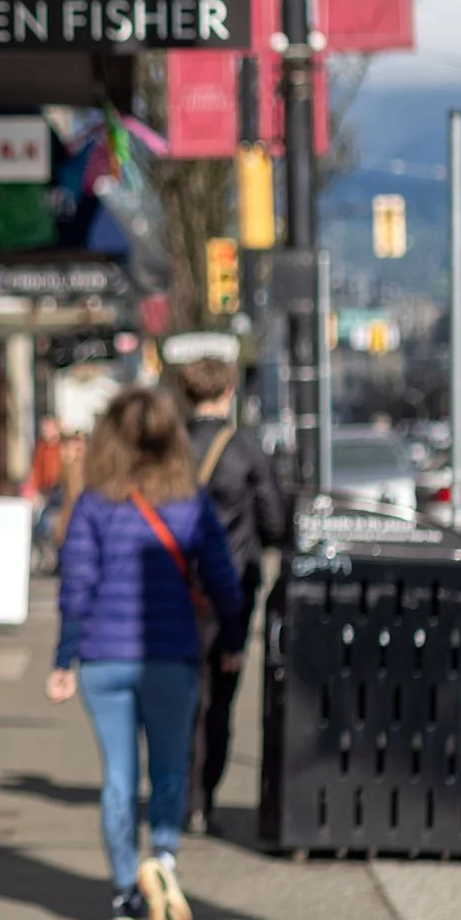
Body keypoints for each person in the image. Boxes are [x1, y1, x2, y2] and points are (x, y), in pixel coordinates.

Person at [46, 388, 245, 920]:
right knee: (170, 768)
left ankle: (122, 897)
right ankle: (163, 856)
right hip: (170, 653)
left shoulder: (92, 503)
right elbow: (222, 580)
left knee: (117, 776)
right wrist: (232, 637)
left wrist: (65, 657)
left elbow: (77, 585)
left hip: (105, 660)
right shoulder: (190, 499)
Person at [174, 354, 290, 833]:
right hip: (230, 595)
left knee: (178, 699)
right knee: (219, 700)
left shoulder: (170, 449)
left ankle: (178, 796)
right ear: (227, 395)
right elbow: (275, 523)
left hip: (172, 592)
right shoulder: (245, 451)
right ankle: (205, 800)